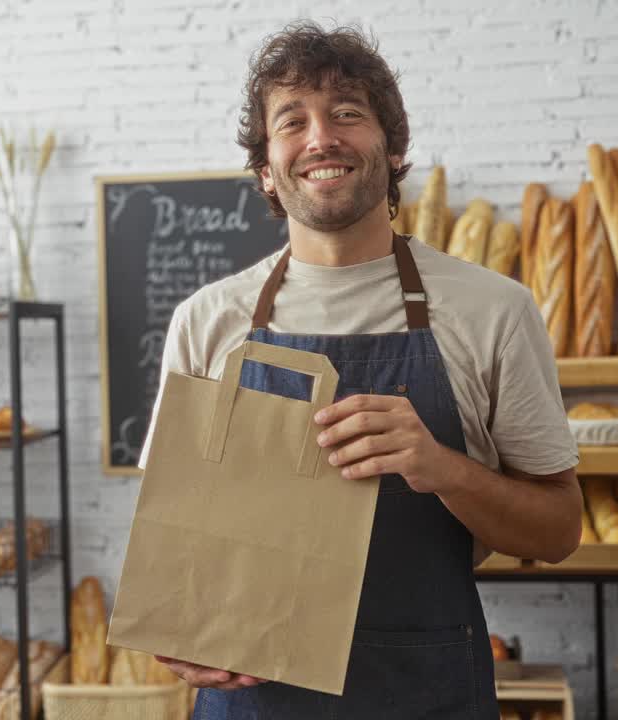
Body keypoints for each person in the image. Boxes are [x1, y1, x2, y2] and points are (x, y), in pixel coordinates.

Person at [145, 20, 582, 719]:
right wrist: (174, 627)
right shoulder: (208, 320)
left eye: (348, 113)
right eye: (293, 121)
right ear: (267, 168)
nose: (321, 137)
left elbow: (559, 530)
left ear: (394, 148)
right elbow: (173, 543)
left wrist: (443, 468)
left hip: (425, 691)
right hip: (255, 704)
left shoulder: (492, 310)